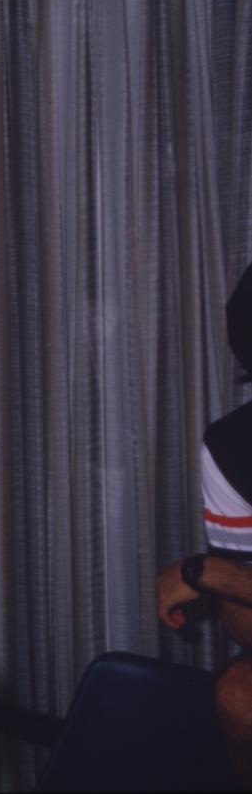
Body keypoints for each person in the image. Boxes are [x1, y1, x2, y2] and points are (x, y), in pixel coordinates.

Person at [157, 261, 252, 785]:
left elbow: (231, 588)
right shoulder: (233, 446)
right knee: (239, 696)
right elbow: (243, 624)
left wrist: (212, 574)